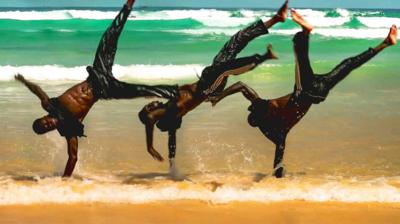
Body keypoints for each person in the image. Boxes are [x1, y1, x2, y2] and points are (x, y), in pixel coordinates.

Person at [208, 9, 398, 178]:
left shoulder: (273, 126)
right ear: (261, 116)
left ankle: (386, 43)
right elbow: (242, 87)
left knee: (349, 64)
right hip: (305, 91)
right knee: (303, 55)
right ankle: (306, 32)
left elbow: (242, 86)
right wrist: (219, 96)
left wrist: (219, 96)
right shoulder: (270, 119)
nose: (266, 106)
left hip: (318, 92)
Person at [14, 0, 179, 178]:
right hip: (105, 89)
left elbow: (38, 90)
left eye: (44, 122)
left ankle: (128, 5)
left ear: (44, 117)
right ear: (50, 130)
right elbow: (73, 157)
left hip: (96, 75)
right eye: (47, 128)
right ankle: (176, 92)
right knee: (140, 90)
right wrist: (64, 182)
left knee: (109, 36)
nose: (48, 124)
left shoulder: (50, 105)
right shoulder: (68, 129)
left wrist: (24, 81)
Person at [138, 1, 289, 172]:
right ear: (154, 115)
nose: (151, 105)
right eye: (149, 108)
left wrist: (172, 164)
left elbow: (172, 141)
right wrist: (149, 146)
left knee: (236, 41)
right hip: (208, 88)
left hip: (206, 80)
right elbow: (150, 120)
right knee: (224, 70)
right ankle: (262, 57)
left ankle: (276, 19)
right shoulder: (172, 110)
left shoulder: (171, 108)